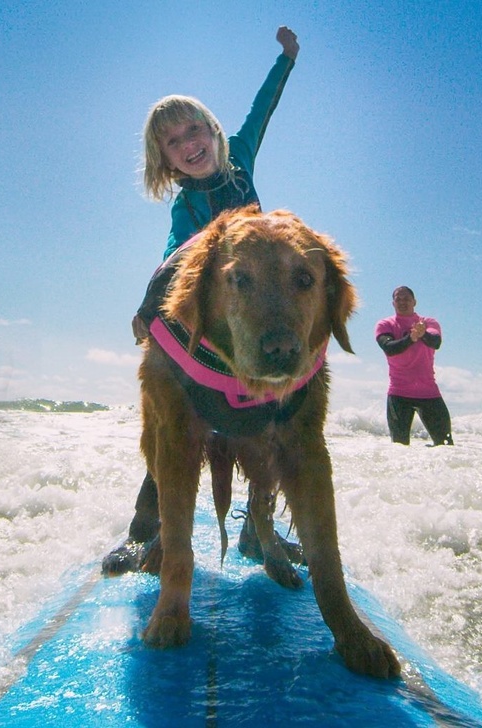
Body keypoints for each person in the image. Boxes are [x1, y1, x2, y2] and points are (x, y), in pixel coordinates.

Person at [102, 27, 300, 575]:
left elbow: (264, 107)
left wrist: (287, 59)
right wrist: (148, 310)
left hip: (255, 317)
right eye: (173, 141)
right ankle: (146, 531)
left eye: (194, 129)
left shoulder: (242, 158)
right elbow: (175, 256)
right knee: (178, 417)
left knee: (273, 421)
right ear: (165, 160)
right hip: (211, 326)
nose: (189, 144)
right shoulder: (185, 208)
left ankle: (260, 534)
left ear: (213, 130)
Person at [375, 286, 454, 446]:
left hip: (429, 393)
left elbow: (435, 342)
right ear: (393, 303)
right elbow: (390, 348)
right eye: (398, 299)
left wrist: (422, 333)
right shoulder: (385, 324)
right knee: (399, 448)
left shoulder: (429, 323)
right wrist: (411, 338)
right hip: (399, 395)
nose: (402, 302)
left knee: (446, 445)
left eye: (406, 299)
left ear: (414, 302)